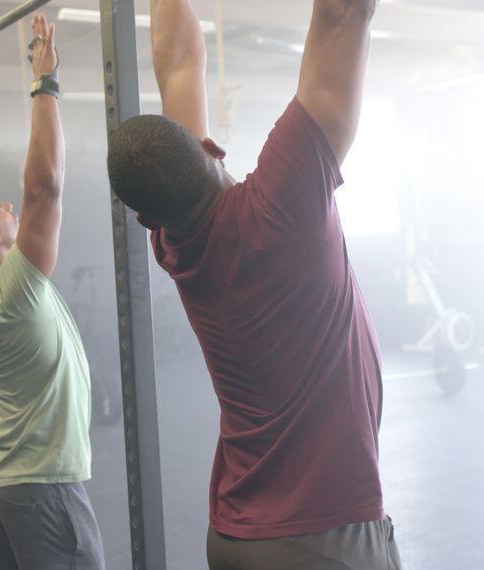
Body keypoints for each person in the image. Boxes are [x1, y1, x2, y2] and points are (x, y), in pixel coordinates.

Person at [107, 0, 401, 568]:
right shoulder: (282, 205)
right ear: (211, 148)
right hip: (320, 536)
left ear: (149, 220)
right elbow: (343, 14)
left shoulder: (175, 243)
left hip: (237, 536)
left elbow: (179, 67)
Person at [0, 13, 104, 569]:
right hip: (43, 489)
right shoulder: (16, 289)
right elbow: (45, 186)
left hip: (7, 482)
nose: (8, 205)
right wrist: (45, 82)